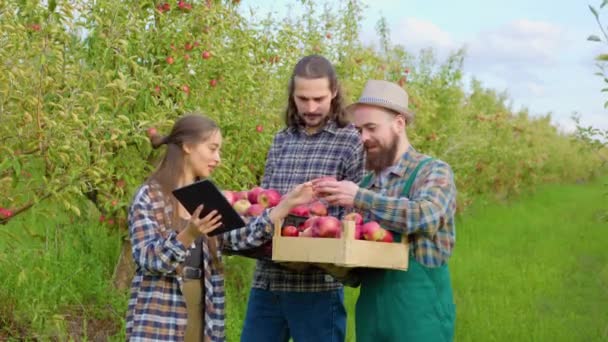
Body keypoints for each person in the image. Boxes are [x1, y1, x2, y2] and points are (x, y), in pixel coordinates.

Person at [125, 113, 315, 342]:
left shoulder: (205, 196)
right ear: (187, 146)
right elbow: (148, 260)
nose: (218, 158)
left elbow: (239, 236)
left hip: (203, 312)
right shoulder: (150, 196)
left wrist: (286, 205)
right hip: (161, 315)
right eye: (212, 148)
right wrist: (188, 235)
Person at [314, 80, 457, 341]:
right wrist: (326, 254)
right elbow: (357, 275)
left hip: (419, 319)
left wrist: (360, 197)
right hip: (371, 318)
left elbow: (425, 216)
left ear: (399, 124)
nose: (363, 138)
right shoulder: (368, 182)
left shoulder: (432, 171)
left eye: (371, 128)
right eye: (359, 130)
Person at [240, 55, 365, 342]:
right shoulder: (281, 140)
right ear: (292, 96)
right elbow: (266, 203)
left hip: (318, 287)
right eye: (303, 98)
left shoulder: (350, 141)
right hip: (268, 281)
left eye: (318, 98)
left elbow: (358, 216)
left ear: (334, 92)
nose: (310, 107)